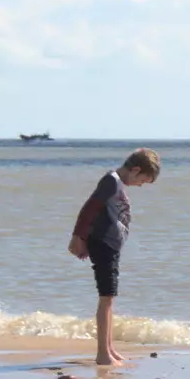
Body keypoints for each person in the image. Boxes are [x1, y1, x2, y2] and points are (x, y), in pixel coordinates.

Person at [68, 148, 161, 365]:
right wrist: (78, 237)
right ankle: (102, 354)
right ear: (136, 170)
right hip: (102, 244)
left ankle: (109, 348)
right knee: (106, 298)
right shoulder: (111, 181)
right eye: (143, 181)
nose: (140, 186)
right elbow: (89, 209)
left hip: (109, 245)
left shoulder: (116, 182)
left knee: (109, 298)